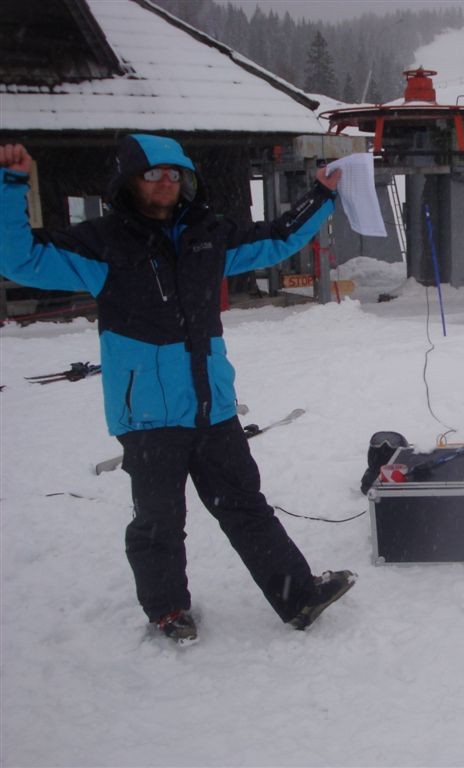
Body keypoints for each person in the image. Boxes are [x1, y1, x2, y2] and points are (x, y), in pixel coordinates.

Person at [0, 135, 355, 644]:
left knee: (246, 506)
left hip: (212, 407)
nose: (165, 183)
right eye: (153, 174)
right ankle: (168, 611)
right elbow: (21, 259)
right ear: (129, 181)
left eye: (174, 174)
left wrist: (320, 194)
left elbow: (277, 237)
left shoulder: (207, 236)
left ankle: (298, 596)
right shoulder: (103, 244)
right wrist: (10, 184)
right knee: (159, 522)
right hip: (148, 416)